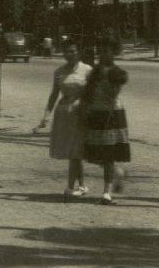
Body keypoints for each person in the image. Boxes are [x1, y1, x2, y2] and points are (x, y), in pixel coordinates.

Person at [37, 40, 91, 200]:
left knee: (76, 151)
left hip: (81, 113)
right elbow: (54, 94)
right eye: (67, 52)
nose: (70, 54)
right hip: (64, 114)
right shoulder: (59, 72)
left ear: (78, 52)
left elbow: (93, 93)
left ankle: (70, 187)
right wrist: (46, 115)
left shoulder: (87, 70)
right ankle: (82, 186)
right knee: (73, 152)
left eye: (73, 51)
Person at [82, 46, 130, 205]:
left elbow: (113, 94)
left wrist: (105, 77)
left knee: (108, 155)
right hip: (96, 114)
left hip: (112, 115)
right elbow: (87, 93)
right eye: (102, 51)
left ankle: (106, 193)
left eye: (107, 51)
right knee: (97, 155)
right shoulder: (93, 72)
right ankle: (118, 172)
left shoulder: (118, 72)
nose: (104, 54)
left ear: (113, 53)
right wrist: (85, 109)